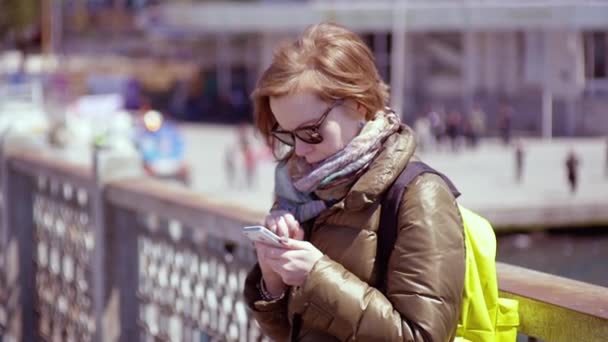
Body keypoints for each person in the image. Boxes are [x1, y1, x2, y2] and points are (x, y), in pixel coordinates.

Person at [243, 23, 465, 341]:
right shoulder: (303, 188)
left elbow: (424, 336)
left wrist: (316, 276)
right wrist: (273, 279)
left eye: (310, 131)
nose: (301, 150)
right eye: (288, 135)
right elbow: (292, 333)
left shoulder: (421, 194)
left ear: (357, 104)